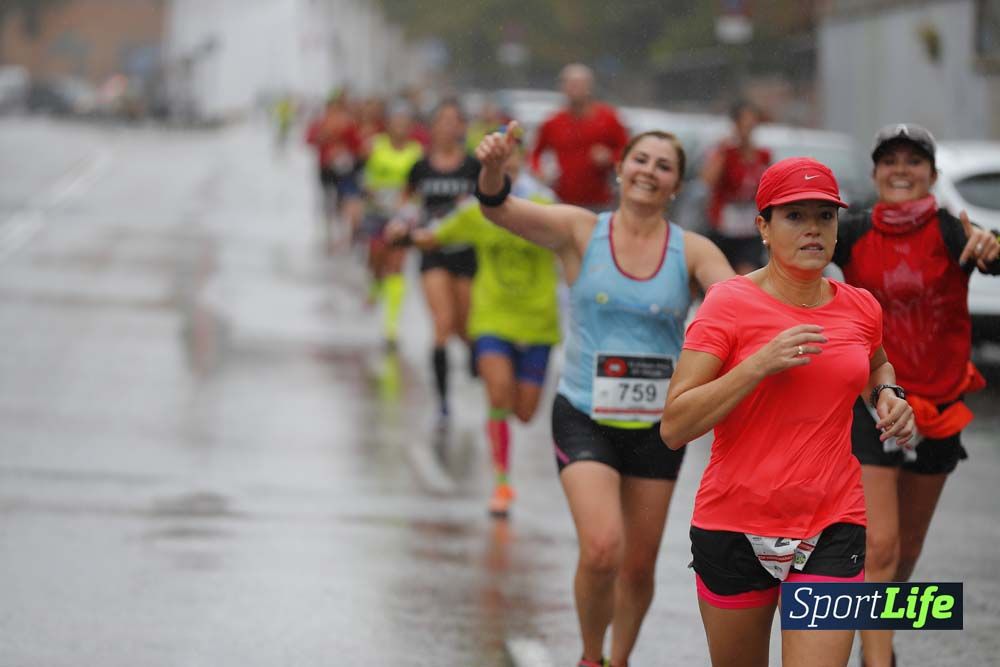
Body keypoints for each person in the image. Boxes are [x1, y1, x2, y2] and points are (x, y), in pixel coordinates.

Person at [476, 121, 734, 667]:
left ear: (676, 185)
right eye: (640, 160)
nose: (650, 172)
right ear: (619, 170)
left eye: (664, 166)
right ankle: (591, 657)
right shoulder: (578, 230)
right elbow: (499, 209)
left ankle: (620, 659)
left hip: (658, 427)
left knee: (638, 567)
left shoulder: (691, 250)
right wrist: (494, 166)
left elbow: (734, 301)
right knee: (601, 550)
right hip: (585, 413)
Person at [660, 156, 917, 667]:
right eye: (794, 216)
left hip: (833, 522)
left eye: (824, 216)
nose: (813, 229)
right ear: (763, 226)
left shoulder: (861, 306)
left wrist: (891, 396)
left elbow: (876, 366)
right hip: (735, 524)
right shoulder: (727, 304)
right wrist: (756, 366)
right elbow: (675, 425)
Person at [831, 124, 1000, 667]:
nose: (901, 169)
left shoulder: (954, 232)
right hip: (877, 401)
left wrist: (993, 249)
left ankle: (874, 627)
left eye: (913, 161)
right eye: (890, 160)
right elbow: (800, 257)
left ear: (931, 174)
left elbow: (991, 256)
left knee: (904, 551)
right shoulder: (852, 229)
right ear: (876, 172)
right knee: (878, 547)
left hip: (942, 405)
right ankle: (878, 658)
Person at [390, 127, 559, 517]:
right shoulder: (477, 208)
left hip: (538, 322)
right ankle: (502, 483)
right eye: (498, 155)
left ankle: (502, 472)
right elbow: (434, 236)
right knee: (498, 394)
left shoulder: (547, 205)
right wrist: (403, 236)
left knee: (525, 411)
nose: (507, 161)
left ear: (524, 159)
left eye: (513, 155)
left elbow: (580, 241)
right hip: (492, 317)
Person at [405, 99, 481, 419]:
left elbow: (490, 204)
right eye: (442, 120)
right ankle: (443, 401)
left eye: (454, 121)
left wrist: (471, 204)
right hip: (432, 251)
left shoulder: (473, 167)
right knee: (442, 324)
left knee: (465, 328)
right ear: (432, 127)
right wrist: (405, 222)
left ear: (462, 127)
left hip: (466, 253)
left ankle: (477, 361)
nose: (448, 126)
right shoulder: (420, 166)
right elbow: (406, 202)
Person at [359, 101, 423, 345]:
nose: (400, 127)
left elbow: (419, 186)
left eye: (405, 123)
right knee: (377, 259)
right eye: (396, 122)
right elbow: (363, 179)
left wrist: (407, 202)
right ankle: (375, 285)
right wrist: (373, 192)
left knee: (396, 266)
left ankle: (391, 327)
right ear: (388, 124)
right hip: (376, 214)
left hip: (402, 217)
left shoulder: (416, 152)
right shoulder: (375, 146)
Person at [530, 63, 628, 210]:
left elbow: (628, 153)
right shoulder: (552, 122)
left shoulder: (608, 118)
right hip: (562, 201)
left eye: (579, 84)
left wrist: (609, 157)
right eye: (569, 83)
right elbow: (535, 154)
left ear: (590, 87)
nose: (574, 88)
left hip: (600, 202)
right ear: (562, 87)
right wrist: (540, 172)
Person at [700, 100, 772, 274]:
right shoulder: (725, 152)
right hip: (723, 227)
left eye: (751, 123)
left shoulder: (763, 155)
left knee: (746, 274)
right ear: (735, 124)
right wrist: (723, 151)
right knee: (721, 275)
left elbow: (769, 187)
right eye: (744, 123)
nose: (747, 128)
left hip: (750, 229)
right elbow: (707, 180)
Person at [305, 91, 364, 253]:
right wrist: (323, 138)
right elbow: (309, 140)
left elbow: (357, 145)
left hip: (343, 168)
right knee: (327, 199)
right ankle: (330, 233)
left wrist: (345, 151)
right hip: (325, 167)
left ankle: (344, 232)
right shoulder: (320, 123)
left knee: (344, 200)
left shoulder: (348, 123)